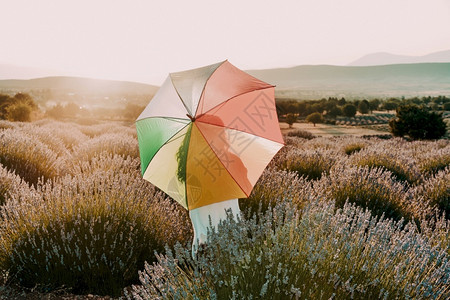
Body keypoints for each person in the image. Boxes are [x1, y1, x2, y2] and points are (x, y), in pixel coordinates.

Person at [176, 115, 250, 257]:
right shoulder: (232, 161)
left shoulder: (189, 166)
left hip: (202, 242)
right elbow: (245, 186)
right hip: (230, 239)